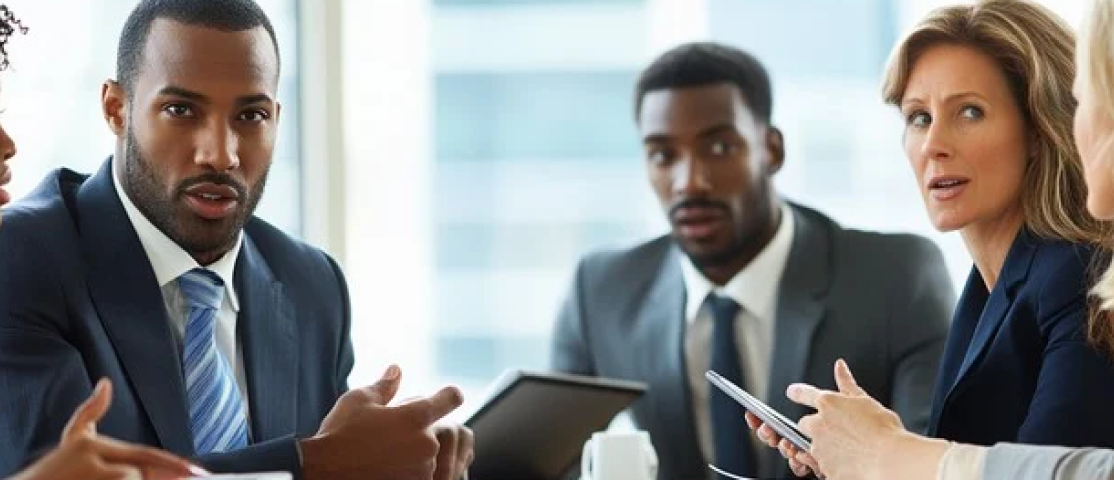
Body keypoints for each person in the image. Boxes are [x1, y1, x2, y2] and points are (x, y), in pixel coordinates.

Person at [0, 1, 472, 479]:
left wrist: (404, 455)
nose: (220, 155)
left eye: (250, 116)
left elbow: (351, 456)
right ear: (116, 110)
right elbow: (54, 473)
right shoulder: (22, 255)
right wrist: (314, 463)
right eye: (181, 110)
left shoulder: (312, 284)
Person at [550, 41, 956, 480]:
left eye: (719, 148)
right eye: (663, 155)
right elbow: (543, 461)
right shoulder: (601, 290)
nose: (690, 182)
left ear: (772, 150)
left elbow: (936, 462)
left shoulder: (897, 277)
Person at [751, 1, 1114, 479]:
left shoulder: (1078, 274)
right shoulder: (989, 284)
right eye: (918, 117)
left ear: (1039, 129)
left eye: (969, 112)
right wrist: (862, 459)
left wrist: (889, 455)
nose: (933, 143)